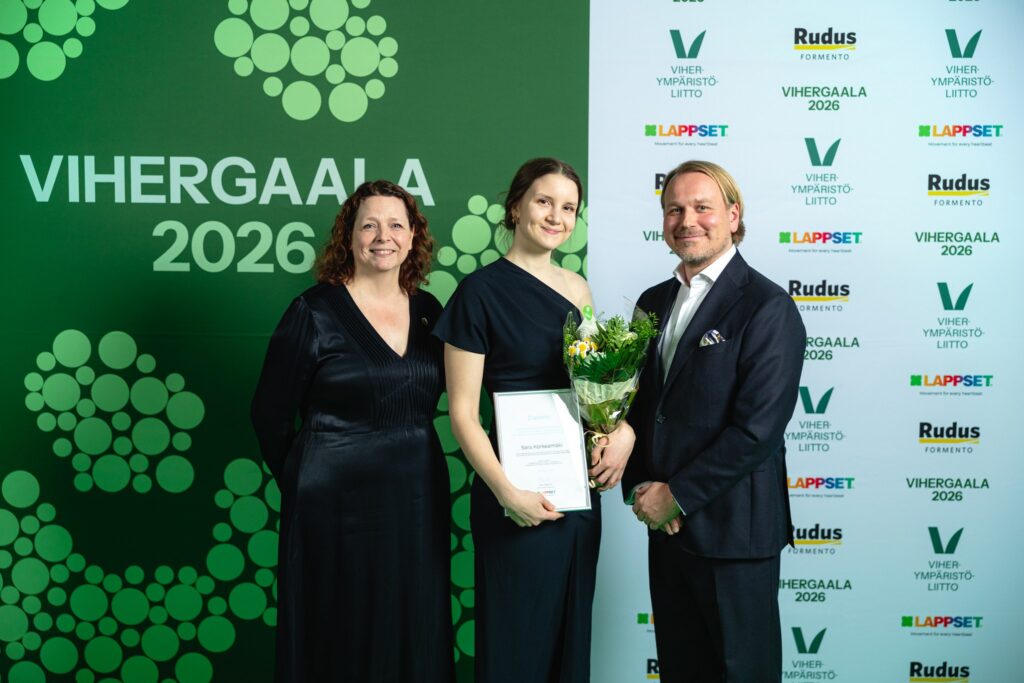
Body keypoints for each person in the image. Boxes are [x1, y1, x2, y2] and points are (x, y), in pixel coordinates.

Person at [435, 157, 634, 683]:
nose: (555, 217)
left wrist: (615, 430)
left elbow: (594, 389)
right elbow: (462, 414)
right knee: (515, 643)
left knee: (569, 639)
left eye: (568, 208)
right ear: (516, 207)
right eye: (544, 201)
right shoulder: (478, 292)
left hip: (575, 491)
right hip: (513, 493)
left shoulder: (579, 288)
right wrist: (507, 493)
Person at [251, 180, 454, 682]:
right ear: (349, 236)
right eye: (369, 225)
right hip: (332, 505)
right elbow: (269, 414)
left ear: (413, 237)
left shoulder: (430, 312)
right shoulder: (313, 311)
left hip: (415, 498)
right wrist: (308, 478)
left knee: (412, 622)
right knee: (335, 630)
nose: (383, 237)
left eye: (396, 225)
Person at [624, 160, 805, 682]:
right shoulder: (652, 303)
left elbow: (757, 431)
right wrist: (641, 485)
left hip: (733, 536)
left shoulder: (768, 306)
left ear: (733, 215)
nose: (687, 221)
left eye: (702, 207)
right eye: (674, 209)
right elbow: (639, 408)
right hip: (667, 532)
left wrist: (676, 495)